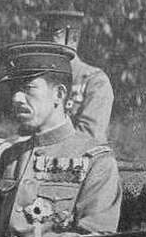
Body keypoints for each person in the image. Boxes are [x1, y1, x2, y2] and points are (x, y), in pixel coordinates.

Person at [0, 42, 122, 237]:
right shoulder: (10, 158)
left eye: (27, 88)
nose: (16, 98)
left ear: (59, 94)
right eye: (14, 89)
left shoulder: (97, 162)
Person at [37, 10, 114, 143]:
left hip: (85, 160)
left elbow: (88, 136)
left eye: (54, 35)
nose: (46, 43)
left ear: (73, 38)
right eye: (44, 36)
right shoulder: (42, 80)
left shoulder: (95, 81)